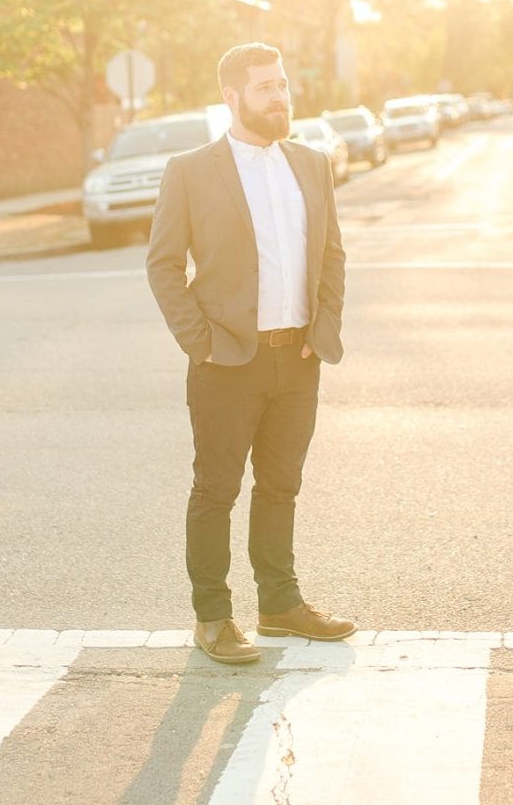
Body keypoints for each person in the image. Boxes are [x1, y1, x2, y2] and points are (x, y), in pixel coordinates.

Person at [146, 42, 353, 665]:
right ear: (231, 97)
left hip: (299, 358)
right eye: (265, 87)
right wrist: (200, 344)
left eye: (283, 84)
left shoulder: (312, 164)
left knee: (281, 486)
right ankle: (212, 617)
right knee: (216, 491)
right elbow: (162, 264)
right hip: (227, 362)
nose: (280, 96)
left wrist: (323, 330)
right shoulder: (191, 170)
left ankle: (280, 605)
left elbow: (333, 256)